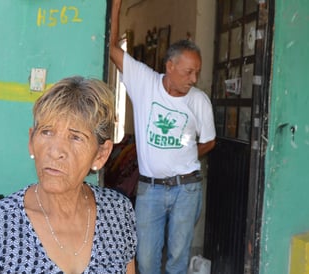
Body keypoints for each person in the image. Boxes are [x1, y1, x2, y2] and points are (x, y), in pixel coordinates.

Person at [0, 76, 137, 274]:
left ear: (101, 154)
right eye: (46, 132)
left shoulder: (118, 212)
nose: (55, 151)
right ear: (31, 141)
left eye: (76, 137)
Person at [109, 1, 216, 273]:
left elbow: (209, 141)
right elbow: (112, 50)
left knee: (178, 259)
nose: (193, 79)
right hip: (150, 189)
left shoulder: (199, 101)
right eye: (188, 72)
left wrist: (185, 154)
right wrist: (117, 7)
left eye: (197, 73)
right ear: (170, 66)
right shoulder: (145, 82)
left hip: (187, 188)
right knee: (145, 259)